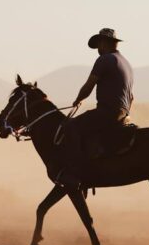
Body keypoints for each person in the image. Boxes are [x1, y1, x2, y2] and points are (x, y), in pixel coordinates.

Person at [53, 28, 134, 189]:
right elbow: (131, 97)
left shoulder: (105, 59)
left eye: (98, 44)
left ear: (104, 43)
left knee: (70, 126)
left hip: (108, 112)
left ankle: (75, 173)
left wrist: (78, 100)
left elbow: (89, 86)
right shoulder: (126, 63)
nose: (98, 48)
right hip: (124, 112)